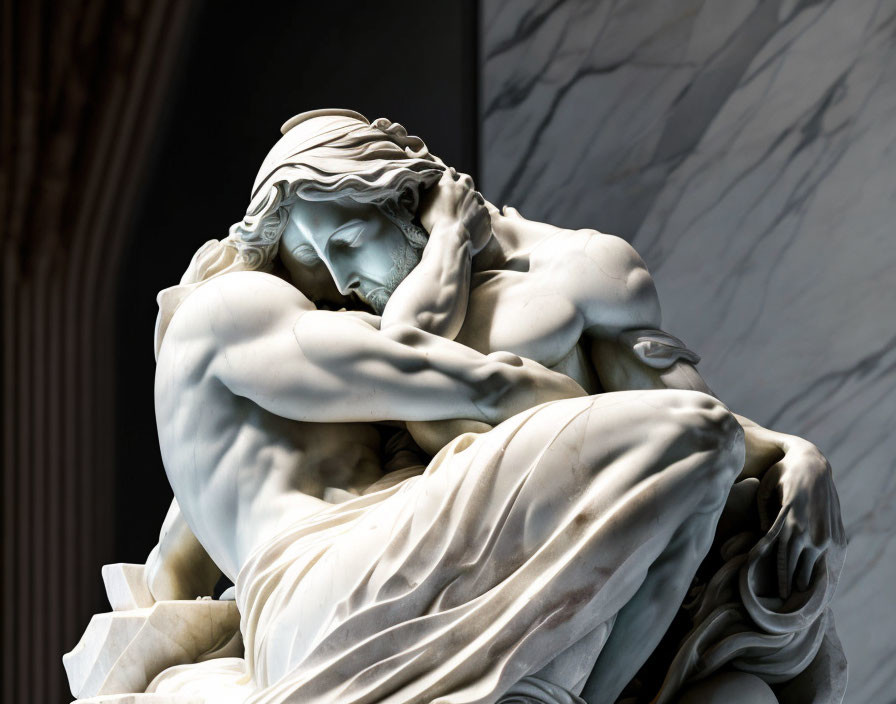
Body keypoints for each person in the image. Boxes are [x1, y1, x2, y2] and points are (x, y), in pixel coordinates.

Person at [144, 110, 844, 704]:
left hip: (380, 566)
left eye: (347, 242)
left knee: (739, 645)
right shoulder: (247, 312)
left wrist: (786, 453)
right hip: (341, 585)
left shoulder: (574, 272)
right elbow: (452, 375)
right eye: (305, 257)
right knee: (696, 444)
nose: (335, 280)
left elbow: (174, 561)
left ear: (404, 199)